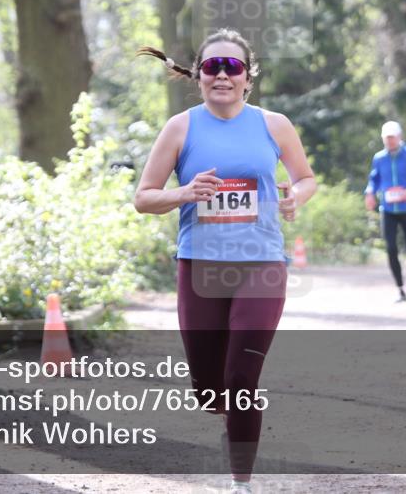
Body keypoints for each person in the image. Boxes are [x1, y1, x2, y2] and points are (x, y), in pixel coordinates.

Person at [134, 28, 317, 494]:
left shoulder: (273, 124)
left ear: (247, 78)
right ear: (198, 76)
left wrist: (295, 197)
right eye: (212, 66)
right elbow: (144, 197)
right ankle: (227, 415)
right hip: (200, 269)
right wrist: (183, 193)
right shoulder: (180, 127)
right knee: (211, 389)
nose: (221, 75)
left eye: (231, 67)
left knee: (241, 380)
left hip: (261, 266)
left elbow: (305, 177)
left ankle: (241, 481)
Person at [363, 120, 406, 302]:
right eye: (386, 138)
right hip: (387, 210)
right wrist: (370, 192)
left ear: (399, 137)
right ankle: (401, 290)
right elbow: (374, 179)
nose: (389, 141)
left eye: (392, 138)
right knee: (391, 248)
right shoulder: (379, 158)